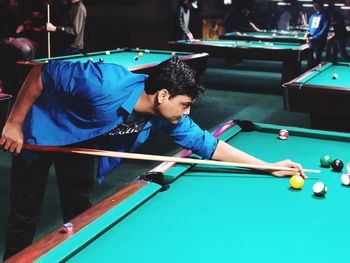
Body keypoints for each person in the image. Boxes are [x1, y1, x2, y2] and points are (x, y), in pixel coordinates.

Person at [0, 56, 304, 260]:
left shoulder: (165, 117)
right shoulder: (103, 83)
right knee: (24, 217)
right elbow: (40, 73)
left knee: (79, 212)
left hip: (82, 144)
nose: (186, 113)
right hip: (37, 137)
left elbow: (206, 144)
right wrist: (13, 123)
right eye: (184, 105)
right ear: (162, 96)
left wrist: (267, 167)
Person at [305, 0, 329, 67]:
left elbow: (324, 29)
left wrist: (315, 37)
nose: (314, 6)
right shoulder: (312, 16)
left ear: (321, 5)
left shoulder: (325, 16)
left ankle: (316, 71)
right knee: (310, 58)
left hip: (320, 40)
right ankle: (309, 71)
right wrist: (308, 33)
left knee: (317, 57)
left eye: (316, 4)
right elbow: (310, 28)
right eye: (314, 4)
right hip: (312, 40)